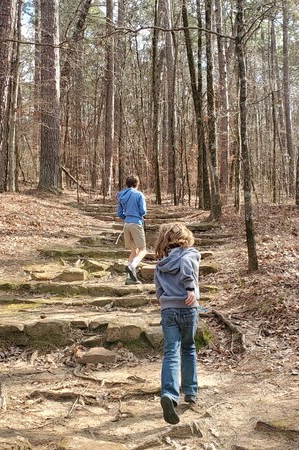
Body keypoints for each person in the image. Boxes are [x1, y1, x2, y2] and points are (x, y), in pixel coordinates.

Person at [153, 223, 200, 425]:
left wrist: (165, 300)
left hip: (169, 309)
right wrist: (190, 288)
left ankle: (170, 395)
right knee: (188, 348)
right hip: (188, 308)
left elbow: (158, 290)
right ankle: (190, 391)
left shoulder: (161, 263)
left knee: (171, 352)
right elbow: (187, 267)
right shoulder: (189, 253)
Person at [117, 175, 148, 285]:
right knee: (143, 250)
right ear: (137, 183)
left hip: (126, 224)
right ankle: (132, 266)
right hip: (136, 223)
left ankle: (130, 278)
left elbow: (119, 213)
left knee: (133, 251)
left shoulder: (121, 195)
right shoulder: (139, 195)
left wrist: (128, 217)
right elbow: (143, 211)